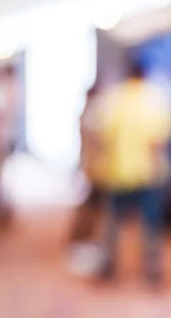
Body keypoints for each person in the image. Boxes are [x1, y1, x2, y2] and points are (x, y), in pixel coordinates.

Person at [96, 60, 171, 285]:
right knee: (151, 224)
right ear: (145, 74)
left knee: (113, 223)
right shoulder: (156, 100)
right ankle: (153, 273)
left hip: (118, 172)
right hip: (148, 173)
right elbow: (159, 140)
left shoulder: (114, 98)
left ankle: (109, 268)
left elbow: (103, 135)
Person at [67, 85, 106, 275]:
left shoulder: (87, 114)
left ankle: (81, 240)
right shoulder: (92, 115)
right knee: (89, 209)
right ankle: (80, 241)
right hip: (94, 169)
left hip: (91, 168)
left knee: (90, 208)